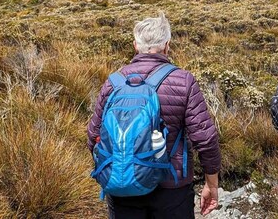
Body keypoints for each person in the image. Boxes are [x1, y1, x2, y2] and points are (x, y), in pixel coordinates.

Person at [87, 13, 221, 218]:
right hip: (172, 189)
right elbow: (205, 138)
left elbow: (93, 135)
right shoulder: (183, 81)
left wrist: (118, 169)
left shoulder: (113, 82)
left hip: (123, 187)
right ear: (167, 45)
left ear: (135, 45)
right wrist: (211, 184)